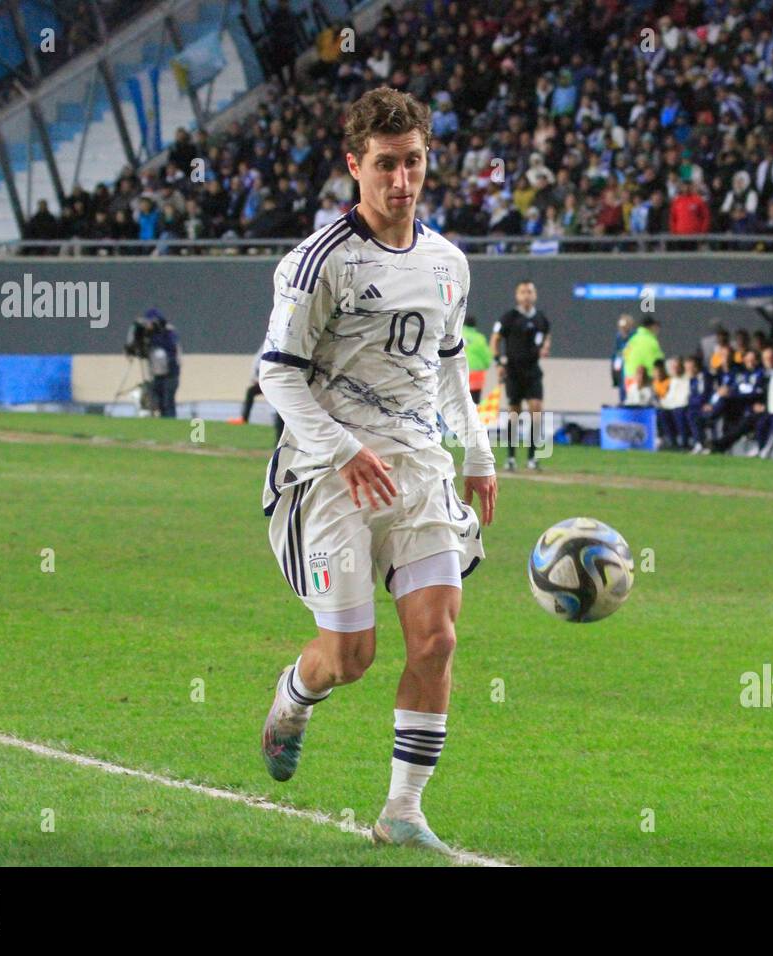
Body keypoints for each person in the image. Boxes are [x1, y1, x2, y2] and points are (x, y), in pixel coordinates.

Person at [256, 86, 496, 854]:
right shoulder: (316, 262)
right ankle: (294, 700)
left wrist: (478, 450)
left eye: (415, 163)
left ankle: (402, 809)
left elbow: (450, 362)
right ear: (353, 165)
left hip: (419, 467)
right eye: (386, 165)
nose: (402, 182)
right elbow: (277, 375)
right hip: (330, 474)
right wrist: (342, 448)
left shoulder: (448, 263)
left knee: (437, 641)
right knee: (349, 659)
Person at [490, 279, 551, 471]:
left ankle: (532, 458)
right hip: (514, 371)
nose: (527, 295)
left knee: (536, 410)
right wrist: (499, 362)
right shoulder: (509, 317)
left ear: (535, 295)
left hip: (533, 371)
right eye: (523, 292)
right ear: (517, 296)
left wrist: (546, 346)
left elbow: (547, 334)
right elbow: (495, 339)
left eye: (530, 292)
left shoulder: (541, 318)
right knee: (514, 414)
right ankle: (510, 458)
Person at [229, 338, 285, 441]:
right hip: (268, 380)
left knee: (279, 408)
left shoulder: (274, 343)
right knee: (252, 392)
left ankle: (280, 438)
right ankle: (244, 418)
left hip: (273, 380)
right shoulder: (270, 342)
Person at [144, 309, 181, 418]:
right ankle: (163, 422)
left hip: (170, 374)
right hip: (157, 373)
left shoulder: (168, 333)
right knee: (159, 402)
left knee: (168, 402)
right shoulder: (151, 336)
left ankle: (170, 423)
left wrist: (155, 336)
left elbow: (171, 347)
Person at [461, 315, 492, 404]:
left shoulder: (458, 335)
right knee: (474, 401)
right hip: (476, 374)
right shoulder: (480, 338)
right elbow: (486, 356)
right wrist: (486, 365)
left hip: (460, 372)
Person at [610, 314, 635, 403]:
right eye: (621, 327)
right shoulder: (618, 337)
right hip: (622, 373)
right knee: (622, 393)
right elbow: (617, 354)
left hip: (632, 372)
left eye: (625, 327)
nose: (622, 330)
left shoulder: (634, 337)